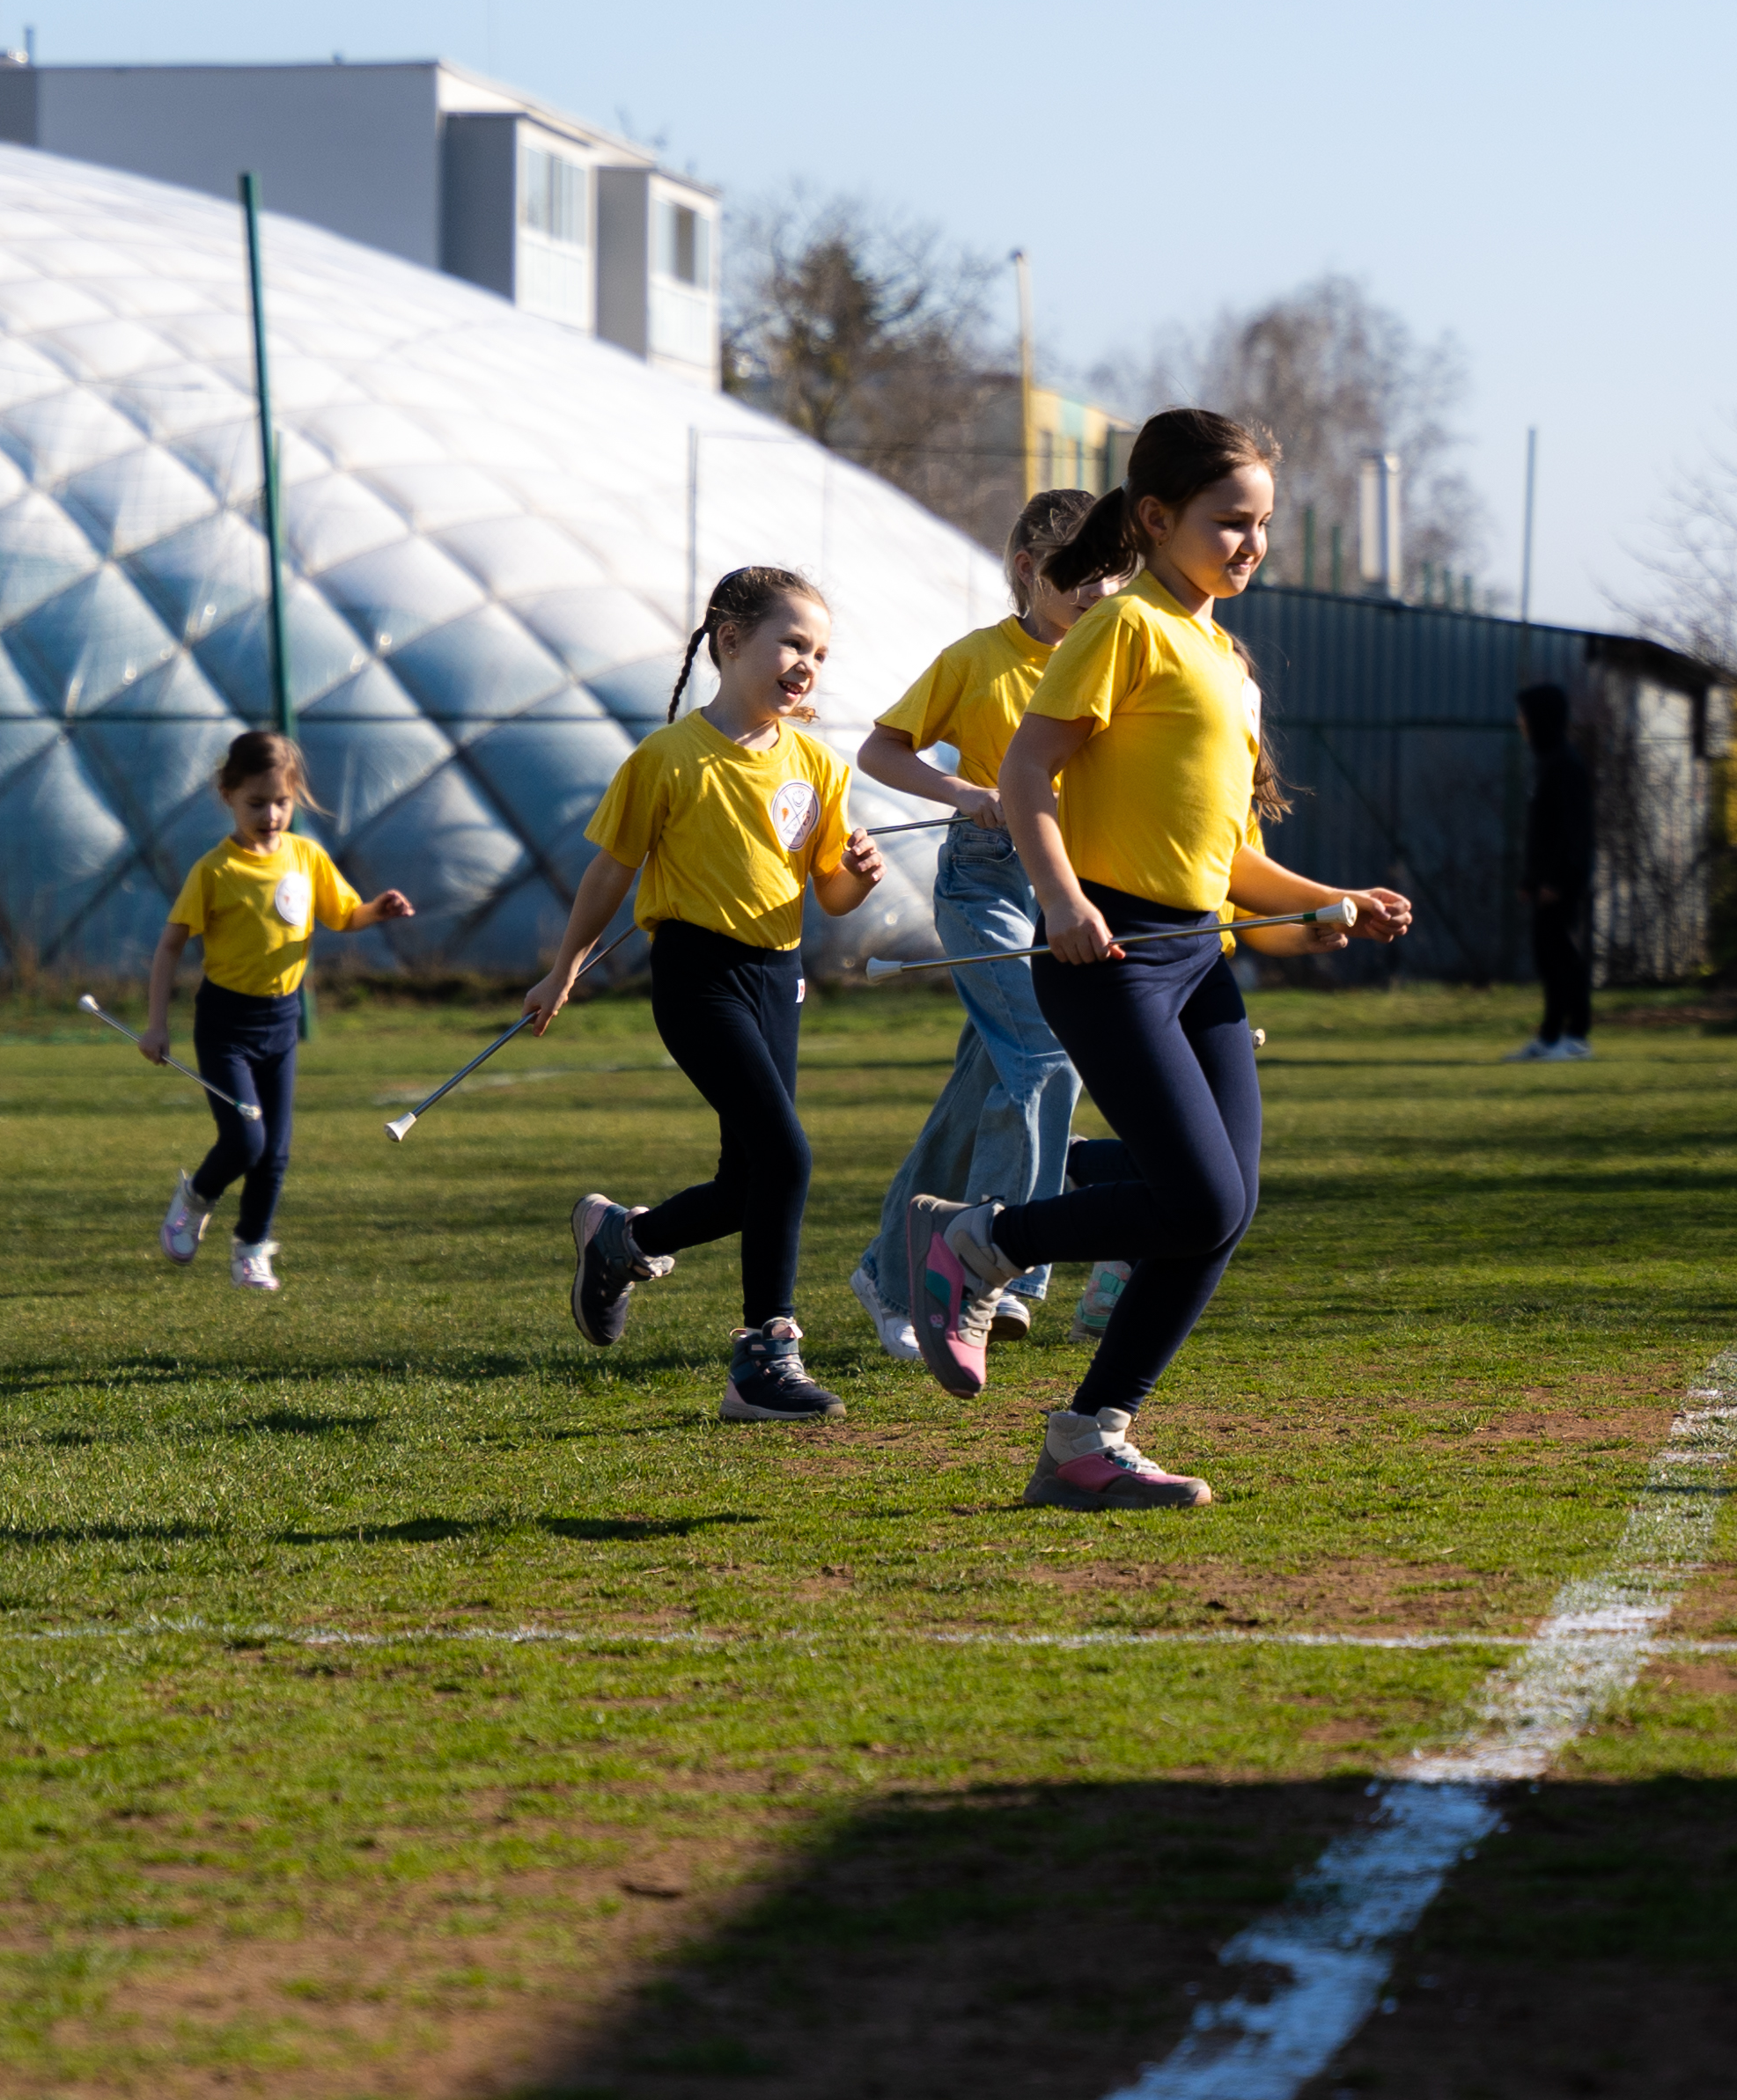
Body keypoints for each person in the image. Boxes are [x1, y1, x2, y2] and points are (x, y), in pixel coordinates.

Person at [904, 410, 1417, 1509]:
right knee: (1198, 1195)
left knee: (1220, 1207)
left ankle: (1087, 1436)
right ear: (1154, 517)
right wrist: (1062, 899)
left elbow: (1230, 856)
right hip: (1111, 952)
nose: (1252, 544)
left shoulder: (1225, 657)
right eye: (1230, 521)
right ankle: (985, 1242)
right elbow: (1030, 776)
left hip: (1194, 960)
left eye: (1264, 524)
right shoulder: (1121, 628)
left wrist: (1332, 901)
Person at [526, 565, 886, 1420]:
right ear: (730, 639)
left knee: (747, 1182)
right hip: (696, 976)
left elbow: (825, 891)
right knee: (789, 1157)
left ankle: (623, 1240)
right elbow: (611, 871)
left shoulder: (818, 767)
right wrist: (565, 963)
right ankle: (765, 1357)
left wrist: (856, 882)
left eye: (821, 652)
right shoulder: (666, 758)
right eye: (791, 643)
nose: (808, 664)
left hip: (776, 979)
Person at [843, 488, 1108, 1363]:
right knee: (1043, 1052)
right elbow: (880, 749)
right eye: (1081, 573)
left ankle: (888, 1268)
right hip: (984, 880)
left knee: (984, 1082)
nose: (1099, 591)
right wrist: (965, 795)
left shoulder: (1114, 658)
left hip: (1072, 881)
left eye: (1115, 573)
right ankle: (1008, 1264)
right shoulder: (975, 659)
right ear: (1030, 570)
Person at [137, 728, 413, 1293]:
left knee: (276, 1151)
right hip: (224, 1026)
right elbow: (170, 946)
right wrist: (157, 1024)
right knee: (246, 1140)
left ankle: (252, 1250)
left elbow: (342, 917)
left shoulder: (307, 856)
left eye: (281, 802)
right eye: (256, 803)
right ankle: (195, 1197)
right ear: (228, 796)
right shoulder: (215, 871)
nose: (270, 815)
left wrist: (376, 911)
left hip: (281, 1022)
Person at [1511, 679, 1599, 1062]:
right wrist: (1531, 880)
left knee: (1566, 957)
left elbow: (1575, 833)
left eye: (1525, 715)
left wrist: (1559, 882)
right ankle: (1549, 1038)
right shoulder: (1548, 763)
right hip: (1546, 884)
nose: (1520, 723)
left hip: (1563, 885)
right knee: (1547, 958)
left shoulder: (1567, 765)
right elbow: (1543, 833)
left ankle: (1576, 1037)